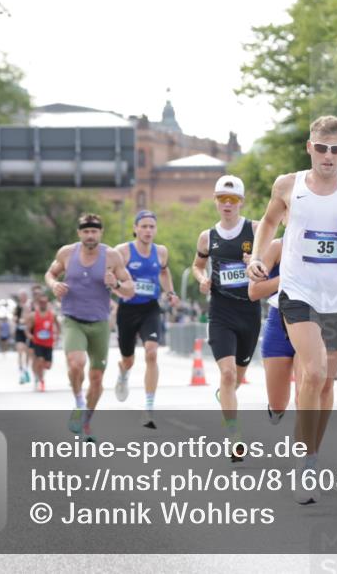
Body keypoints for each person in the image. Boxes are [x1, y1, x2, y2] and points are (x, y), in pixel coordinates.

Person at [247, 115, 337, 504]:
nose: (328, 156)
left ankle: (313, 451)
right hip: (297, 291)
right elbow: (269, 221)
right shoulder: (288, 185)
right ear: (310, 148)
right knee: (313, 371)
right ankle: (304, 463)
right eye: (321, 148)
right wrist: (257, 258)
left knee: (326, 384)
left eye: (336, 149)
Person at [44, 212, 134, 442]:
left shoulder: (112, 256)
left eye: (94, 231)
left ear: (100, 233)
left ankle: (86, 421)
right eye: (86, 231)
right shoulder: (66, 253)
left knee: (96, 379)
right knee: (76, 364)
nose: (90, 235)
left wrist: (116, 284)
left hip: (100, 323)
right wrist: (54, 285)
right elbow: (50, 273)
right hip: (73, 319)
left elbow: (130, 289)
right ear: (79, 233)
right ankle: (78, 402)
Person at [192, 175, 260, 461]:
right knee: (228, 374)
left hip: (250, 311)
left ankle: (226, 395)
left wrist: (257, 262)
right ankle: (234, 437)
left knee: (237, 378)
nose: (227, 204)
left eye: (232, 199)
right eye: (222, 199)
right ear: (216, 201)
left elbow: (276, 260)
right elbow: (197, 265)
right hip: (220, 312)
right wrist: (202, 279)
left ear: (241, 202)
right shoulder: (208, 236)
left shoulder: (255, 230)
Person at [113, 210, 180, 428]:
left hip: (150, 308)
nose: (148, 230)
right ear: (135, 229)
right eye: (144, 226)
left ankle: (149, 408)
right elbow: (109, 277)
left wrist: (170, 292)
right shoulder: (122, 252)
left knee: (151, 353)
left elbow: (163, 272)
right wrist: (120, 289)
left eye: (152, 226)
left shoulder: (161, 251)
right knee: (129, 360)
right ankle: (123, 373)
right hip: (127, 310)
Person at [247, 238, 296, 424]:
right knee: (278, 404)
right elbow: (254, 291)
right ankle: (276, 411)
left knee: (308, 390)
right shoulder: (277, 247)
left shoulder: (322, 242)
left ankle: (308, 448)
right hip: (279, 322)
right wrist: (288, 277)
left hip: (312, 320)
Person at [26, 291, 60, 392]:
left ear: (47, 303)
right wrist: (29, 335)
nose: (43, 304)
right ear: (38, 303)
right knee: (39, 360)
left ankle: (39, 376)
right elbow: (27, 329)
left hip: (49, 343)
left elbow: (58, 326)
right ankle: (41, 380)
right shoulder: (33, 315)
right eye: (41, 302)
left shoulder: (52, 315)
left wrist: (57, 336)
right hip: (38, 343)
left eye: (45, 302)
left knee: (48, 366)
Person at [14, 291, 32, 384]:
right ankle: (21, 373)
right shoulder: (17, 307)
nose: (23, 297)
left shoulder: (30, 305)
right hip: (20, 332)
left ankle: (26, 369)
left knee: (28, 353)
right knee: (20, 351)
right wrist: (18, 320)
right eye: (21, 296)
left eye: (24, 295)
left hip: (28, 331)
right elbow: (14, 318)